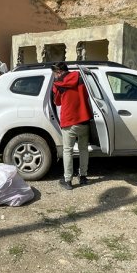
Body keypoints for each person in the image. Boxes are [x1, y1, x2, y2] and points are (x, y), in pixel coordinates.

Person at [52, 62, 92, 190]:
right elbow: (87, 95)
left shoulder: (57, 84)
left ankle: (68, 181)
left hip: (69, 120)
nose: (55, 76)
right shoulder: (80, 78)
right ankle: (83, 177)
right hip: (83, 119)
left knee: (68, 150)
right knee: (83, 149)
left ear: (58, 72)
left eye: (55, 74)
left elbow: (57, 102)